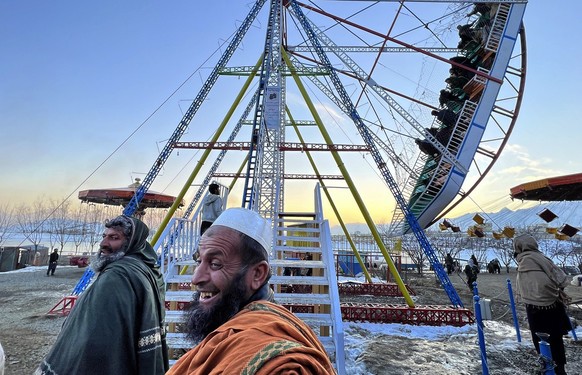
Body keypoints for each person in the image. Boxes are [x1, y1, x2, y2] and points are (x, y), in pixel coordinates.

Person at [167, 207, 335, 374]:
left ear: (257, 274)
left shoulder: (279, 364)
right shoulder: (228, 328)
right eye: (199, 261)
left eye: (215, 264)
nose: (196, 278)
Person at [36, 215, 169, 375]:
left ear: (132, 242)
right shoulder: (146, 269)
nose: (103, 244)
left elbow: (94, 338)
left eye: (114, 238)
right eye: (104, 236)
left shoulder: (117, 276)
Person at [513, 234, 571, 375]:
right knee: (556, 341)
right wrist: (555, 292)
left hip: (535, 310)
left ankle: (548, 368)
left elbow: (527, 288)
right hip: (553, 307)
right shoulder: (543, 258)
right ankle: (560, 369)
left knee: (541, 342)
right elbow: (562, 280)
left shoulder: (524, 262)